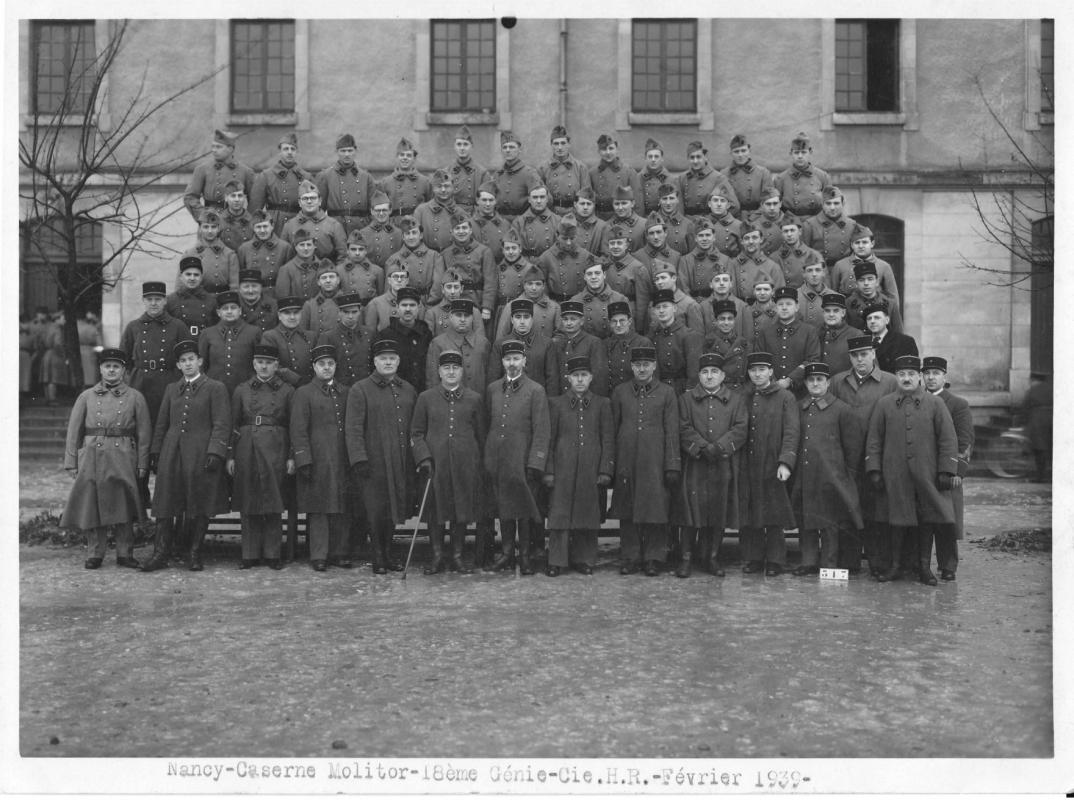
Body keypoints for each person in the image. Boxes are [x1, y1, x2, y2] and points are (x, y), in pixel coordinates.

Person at [865, 355, 960, 586]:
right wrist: (874, 469)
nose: (906, 379)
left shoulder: (935, 404)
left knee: (927, 519)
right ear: (896, 377)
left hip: (926, 474)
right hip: (894, 474)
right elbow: (874, 440)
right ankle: (895, 566)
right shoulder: (884, 404)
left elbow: (948, 439)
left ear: (919, 377)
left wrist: (946, 470)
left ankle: (924, 568)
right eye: (901, 375)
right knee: (895, 519)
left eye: (911, 374)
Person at [141, 340, 231, 572]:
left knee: (198, 501)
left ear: (200, 361)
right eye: (183, 361)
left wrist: (216, 451)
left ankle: (194, 552)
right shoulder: (172, 389)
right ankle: (160, 553)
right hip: (172, 452)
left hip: (200, 452)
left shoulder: (215, 388)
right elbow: (162, 423)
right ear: (178, 366)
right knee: (165, 501)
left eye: (191, 359)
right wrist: (155, 452)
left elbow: (221, 424)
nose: (188, 364)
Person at [61, 349, 152, 569]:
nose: (111, 370)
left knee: (124, 504)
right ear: (100, 369)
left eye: (116, 367)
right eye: (107, 366)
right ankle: (95, 553)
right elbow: (74, 431)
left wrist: (142, 463)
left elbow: (144, 435)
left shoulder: (135, 397)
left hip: (123, 455)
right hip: (93, 454)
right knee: (93, 504)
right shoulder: (86, 396)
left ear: (123, 371)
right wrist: (71, 462)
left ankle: (124, 552)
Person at [346, 338, 419, 574]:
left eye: (392, 359)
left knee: (393, 510)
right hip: (373, 462)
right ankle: (377, 555)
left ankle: (388, 554)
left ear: (398, 361)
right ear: (375, 362)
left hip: (400, 461)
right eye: (383, 359)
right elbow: (353, 428)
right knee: (375, 511)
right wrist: (359, 459)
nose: (388, 362)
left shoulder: (408, 390)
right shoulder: (360, 389)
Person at [411, 350, 488, 572]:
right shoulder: (426, 398)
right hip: (436, 465)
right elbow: (416, 433)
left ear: (462, 371)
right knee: (435, 510)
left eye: (455, 368)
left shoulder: (474, 398)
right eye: (446, 368)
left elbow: (481, 434)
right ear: (439, 371)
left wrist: (478, 463)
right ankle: (436, 555)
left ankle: (456, 555)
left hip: (465, 465)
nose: (451, 372)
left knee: (461, 509)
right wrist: (423, 457)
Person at [673, 351, 748, 577]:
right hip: (695, 463)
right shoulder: (686, 399)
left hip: (721, 464)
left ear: (723, 375)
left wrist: (720, 447)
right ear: (698, 375)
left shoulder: (736, 400)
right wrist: (701, 447)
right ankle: (686, 558)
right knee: (691, 511)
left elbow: (741, 428)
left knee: (717, 511)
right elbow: (682, 426)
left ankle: (711, 557)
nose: (709, 376)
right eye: (705, 372)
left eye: (714, 372)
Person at [830, 335, 899, 575]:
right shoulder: (838, 382)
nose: (860, 359)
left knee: (876, 512)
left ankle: (878, 564)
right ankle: (848, 563)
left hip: (876, 456)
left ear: (873, 354)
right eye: (855, 355)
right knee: (848, 508)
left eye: (864, 354)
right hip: (846, 456)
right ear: (850, 357)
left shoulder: (890, 382)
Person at [610, 346, 680, 576]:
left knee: (656, 507)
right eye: (638, 365)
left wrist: (672, 464)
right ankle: (630, 556)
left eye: (646, 364)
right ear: (631, 366)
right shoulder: (620, 392)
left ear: (654, 366)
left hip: (655, 459)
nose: (642, 369)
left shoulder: (667, 393)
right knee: (627, 507)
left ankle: (654, 557)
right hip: (627, 458)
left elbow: (672, 431)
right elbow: (613, 429)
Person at [483, 340, 551, 574]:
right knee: (504, 508)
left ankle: (525, 555)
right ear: (502, 362)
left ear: (524, 361)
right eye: (508, 359)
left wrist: (536, 462)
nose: (512, 364)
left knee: (523, 509)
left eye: (516, 359)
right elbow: (488, 424)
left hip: (522, 460)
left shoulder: (535, 390)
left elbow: (542, 430)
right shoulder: (493, 389)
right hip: (499, 460)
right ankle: (507, 553)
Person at [543, 355, 615, 576]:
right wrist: (549, 470)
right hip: (563, 468)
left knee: (587, 513)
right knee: (559, 515)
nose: (580, 380)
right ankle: (557, 560)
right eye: (576, 376)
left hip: (589, 468)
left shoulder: (603, 404)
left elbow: (608, 439)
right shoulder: (556, 404)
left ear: (591, 377)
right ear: (568, 378)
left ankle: (584, 559)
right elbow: (549, 440)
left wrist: (605, 469)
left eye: (584, 375)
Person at [790, 362, 863, 575]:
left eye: (819, 380)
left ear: (828, 383)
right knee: (807, 519)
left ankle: (828, 564)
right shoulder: (799, 407)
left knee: (830, 523)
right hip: (804, 475)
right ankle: (808, 561)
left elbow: (853, 447)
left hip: (832, 477)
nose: (815, 384)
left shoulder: (841, 410)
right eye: (811, 380)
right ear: (805, 383)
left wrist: (843, 474)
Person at [226, 344, 295, 570]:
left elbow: (294, 426)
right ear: (254, 364)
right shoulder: (242, 390)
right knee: (249, 499)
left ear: (276, 365)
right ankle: (249, 553)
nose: (264, 366)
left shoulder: (287, 391)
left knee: (273, 500)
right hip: (246, 446)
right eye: (260, 362)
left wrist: (292, 456)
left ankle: (273, 553)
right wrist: (231, 455)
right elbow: (232, 424)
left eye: (269, 362)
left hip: (277, 445)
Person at [291, 344, 352, 571]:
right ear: (314, 367)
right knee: (318, 507)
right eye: (322, 364)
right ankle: (319, 554)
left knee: (342, 505)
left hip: (341, 456)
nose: (326, 368)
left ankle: (340, 552)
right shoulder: (304, 393)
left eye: (330, 364)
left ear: (335, 366)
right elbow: (298, 429)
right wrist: (303, 459)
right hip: (316, 457)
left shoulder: (346, 392)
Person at [738, 351, 799, 576]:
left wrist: (786, 461)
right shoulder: (743, 396)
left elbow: (792, 432)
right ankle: (753, 557)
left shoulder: (785, 397)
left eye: (762, 370)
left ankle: (775, 560)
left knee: (774, 512)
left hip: (773, 461)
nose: (757, 374)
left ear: (771, 372)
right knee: (751, 510)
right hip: (749, 462)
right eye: (753, 370)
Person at [923, 356, 974, 581]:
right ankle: (921, 564)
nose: (931, 377)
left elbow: (965, 440)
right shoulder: (918, 400)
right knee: (924, 520)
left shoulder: (957, 404)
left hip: (947, 471)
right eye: (927, 373)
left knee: (947, 520)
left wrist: (958, 471)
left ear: (945, 376)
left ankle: (948, 565)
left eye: (936, 373)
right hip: (923, 470)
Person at [757, 287, 822, 398]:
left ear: (797, 307)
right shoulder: (765, 332)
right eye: (780, 304)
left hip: (800, 391)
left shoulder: (809, 331)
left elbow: (813, 359)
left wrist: (790, 379)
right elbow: (760, 359)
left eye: (789, 304)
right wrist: (773, 381)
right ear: (775, 308)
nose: (784, 308)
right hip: (770, 389)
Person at [488, 299, 558, 395]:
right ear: (512, 320)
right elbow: (494, 378)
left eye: (526, 317)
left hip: (536, 399)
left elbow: (552, 380)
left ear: (532, 319)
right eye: (518, 317)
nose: (522, 321)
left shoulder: (546, 344)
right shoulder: (500, 344)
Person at [198, 290, 261, 397]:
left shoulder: (254, 332)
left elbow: (259, 362)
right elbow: (201, 365)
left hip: (246, 389)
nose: (229, 311)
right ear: (218, 313)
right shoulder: (207, 333)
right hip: (214, 390)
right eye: (225, 308)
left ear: (240, 311)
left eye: (233, 307)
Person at [183, 129, 255, 221]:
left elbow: (255, 201)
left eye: (218, 147)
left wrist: (246, 220)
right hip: (211, 223)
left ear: (230, 149)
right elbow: (190, 197)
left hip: (236, 221)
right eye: (213, 146)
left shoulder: (246, 171)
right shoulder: (202, 169)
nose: (214, 150)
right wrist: (204, 216)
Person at [438, 213, 497, 324]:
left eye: (464, 228)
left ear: (470, 230)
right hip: (453, 302)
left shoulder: (484, 251)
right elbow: (441, 282)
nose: (461, 231)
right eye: (457, 228)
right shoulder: (446, 254)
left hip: (477, 301)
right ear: (452, 231)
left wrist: (487, 307)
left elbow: (490, 282)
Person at [250, 132, 312, 235]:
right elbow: (255, 208)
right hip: (274, 223)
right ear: (279, 152)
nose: (289, 152)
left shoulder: (306, 177)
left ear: (297, 152)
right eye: (286, 149)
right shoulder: (266, 176)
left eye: (293, 149)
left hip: (298, 222)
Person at [316, 132, 378, 235]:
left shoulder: (366, 177)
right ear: (337, 152)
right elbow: (319, 209)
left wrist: (370, 231)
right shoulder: (326, 176)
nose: (347, 154)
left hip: (361, 229)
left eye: (350, 151)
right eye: (343, 151)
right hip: (335, 229)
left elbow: (374, 209)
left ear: (355, 151)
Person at [425, 298, 490, 395]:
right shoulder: (438, 343)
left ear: (472, 318)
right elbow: (432, 379)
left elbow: (489, 377)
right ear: (450, 317)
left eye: (467, 316)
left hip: (478, 403)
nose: (463, 319)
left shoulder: (483, 343)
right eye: (458, 315)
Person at [650, 286, 704, 395]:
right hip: (659, 390)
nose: (661, 310)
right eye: (658, 307)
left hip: (681, 390)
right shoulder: (652, 337)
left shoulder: (688, 335)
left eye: (665, 306)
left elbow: (693, 372)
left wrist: (689, 393)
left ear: (674, 308)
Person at [830, 224, 901, 305]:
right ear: (852, 245)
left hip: (875, 312)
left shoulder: (884, 266)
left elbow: (893, 297)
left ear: (872, 243)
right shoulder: (840, 265)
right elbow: (832, 294)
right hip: (848, 312)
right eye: (857, 243)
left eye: (864, 242)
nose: (861, 246)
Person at [379, 287, 433, 392]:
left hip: (422, 390)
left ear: (419, 307)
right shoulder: (386, 335)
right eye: (404, 305)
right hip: (396, 392)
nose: (408, 309)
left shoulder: (425, 333)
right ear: (397, 307)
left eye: (412, 305)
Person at [551, 300, 609, 397]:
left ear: (581, 321)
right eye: (565, 319)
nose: (569, 323)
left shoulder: (593, 342)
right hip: (562, 400)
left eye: (573, 319)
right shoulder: (557, 344)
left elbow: (599, 378)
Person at [280, 181, 347, 262]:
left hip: (326, 271)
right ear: (299, 202)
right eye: (305, 198)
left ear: (320, 201)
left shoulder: (334, 225)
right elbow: (283, 255)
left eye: (313, 198)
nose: (309, 201)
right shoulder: (289, 226)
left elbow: (343, 256)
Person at [317, 293, 374, 388]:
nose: (350, 316)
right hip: (341, 388)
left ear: (360, 312)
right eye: (346, 312)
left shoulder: (369, 333)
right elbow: (322, 368)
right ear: (339, 312)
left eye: (354, 312)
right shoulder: (328, 336)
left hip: (367, 387)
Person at [772, 131, 832, 220]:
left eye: (803, 152)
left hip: (816, 224)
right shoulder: (780, 179)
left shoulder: (823, 177)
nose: (800, 156)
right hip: (790, 226)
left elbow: (831, 205)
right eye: (796, 152)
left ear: (810, 152)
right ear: (791, 153)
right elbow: (775, 207)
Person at [386, 216, 443, 306]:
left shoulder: (434, 256)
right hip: (403, 305)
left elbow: (437, 287)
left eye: (414, 233)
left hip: (426, 303)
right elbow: (389, 290)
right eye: (407, 233)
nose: (411, 237)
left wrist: (428, 305)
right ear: (403, 237)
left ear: (420, 235)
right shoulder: (393, 259)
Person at [236, 210, 295, 298]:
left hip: (277, 293)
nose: (262, 230)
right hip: (252, 294)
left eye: (265, 226)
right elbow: (240, 275)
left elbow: (290, 276)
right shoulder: (244, 249)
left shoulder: (285, 247)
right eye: (258, 227)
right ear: (253, 228)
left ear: (272, 226)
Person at [179, 210, 238, 294]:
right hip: (197, 299)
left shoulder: (229, 255)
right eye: (206, 227)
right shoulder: (189, 253)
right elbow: (180, 284)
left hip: (222, 300)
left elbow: (234, 286)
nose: (210, 231)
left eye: (213, 227)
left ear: (218, 228)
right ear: (200, 228)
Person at [260, 296, 314, 388]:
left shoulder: (311, 336)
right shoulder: (270, 336)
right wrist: (296, 379)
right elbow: (270, 364)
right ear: (279, 315)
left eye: (296, 313)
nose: (292, 317)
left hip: (309, 387)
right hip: (282, 388)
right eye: (287, 313)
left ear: (301, 314)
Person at [678, 140, 740, 218]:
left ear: (706, 157)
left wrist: (713, 221)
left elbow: (734, 206)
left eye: (698, 157)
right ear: (688, 158)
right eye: (692, 157)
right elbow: (678, 206)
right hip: (688, 224)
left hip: (709, 224)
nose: (695, 161)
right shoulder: (682, 178)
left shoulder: (718, 178)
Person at [538, 220, 594, 303]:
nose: (568, 243)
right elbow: (542, 284)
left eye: (572, 238)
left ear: (577, 236)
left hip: (580, 303)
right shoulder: (546, 257)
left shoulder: (586, 256)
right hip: (555, 302)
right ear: (557, 236)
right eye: (564, 239)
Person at [540, 125, 592, 215]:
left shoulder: (580, 167)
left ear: (569, 144)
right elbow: (539, 195)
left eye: (563, 143)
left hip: (574, 214)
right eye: (556, 144)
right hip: (551, 214)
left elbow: (586, 195)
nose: (560, 148)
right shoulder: (543, 168)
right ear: (551, 145)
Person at [491, 130, 543, 221]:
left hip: (522, 222)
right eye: (505, 147)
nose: (508, 150)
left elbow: (545, 200)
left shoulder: (529, 173)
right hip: (500, 223)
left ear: (520, 150)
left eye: (511, 147)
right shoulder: (497, 175)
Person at [801, 186, 856, 269]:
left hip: (844, 270)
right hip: (819, 271)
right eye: (828, 203)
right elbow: (804, 255)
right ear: (822, 204)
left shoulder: (851, 225)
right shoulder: (810, 225)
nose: (832, 208)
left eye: (836, 203)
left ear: (843, 204)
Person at [572, 260, 630, 340]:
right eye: (589, 274)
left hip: (612, 345)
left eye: (597, 273)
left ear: (604, 275)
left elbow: (628, 331)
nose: (593, 277)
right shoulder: (575, 300)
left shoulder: (619, 299)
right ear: (584, 277)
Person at [590, 133, 643, 220]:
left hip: (622, 219)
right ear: (598, 151)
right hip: (599, 219)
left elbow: (638, 202)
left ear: (617, 150)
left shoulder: (628, 172)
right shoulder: (592, 173)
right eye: (603, 149)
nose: (608, 152)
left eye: (611, 148)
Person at [604, 301, 654, 391]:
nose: (618, 325)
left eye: (622, 321)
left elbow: (651, 377)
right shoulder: (605, 344)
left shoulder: (642, 343)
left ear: (630, 321)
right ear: (609, 323)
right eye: (614, 321)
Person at [702, 299, 749, 391]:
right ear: (715, 321)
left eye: (730, 319)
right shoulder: (708, 343)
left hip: (739, 391)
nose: (726, 323)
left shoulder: (743, 343)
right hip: (717, 391)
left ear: (735, 321)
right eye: (722, 319)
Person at [379, 137, 431, 219]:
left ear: (414, 158)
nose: (405, 158)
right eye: (402, 154)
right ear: (397, 157)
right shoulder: (386, 182)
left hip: (417, 225)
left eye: (409, 155)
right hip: (394, 226)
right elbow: (380, 210)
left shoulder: (425, 182)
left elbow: (430, 208)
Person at [678, 220, 730, 302]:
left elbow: (729, 288)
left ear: (714, 237)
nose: (704, 239)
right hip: (693, 304)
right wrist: (693, 305)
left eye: (708, 235)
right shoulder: (685, 260)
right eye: (701, 235)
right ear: (695, 238)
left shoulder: (725, 259)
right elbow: (683, 288)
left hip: (718, 303)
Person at [845, 261, 904, 334]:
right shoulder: (848, 304)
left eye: (870, 279)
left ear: (877, 282)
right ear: (856, 283)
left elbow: (899, 333)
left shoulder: (890, 304)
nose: (866, 283)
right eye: (861, 280)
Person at [723, 134, 774, 217]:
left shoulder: (763, 173)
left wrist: (754, 218)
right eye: (736, 151)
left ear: (749, 151)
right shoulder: (724, 174)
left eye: (743, 151)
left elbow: (768, 200)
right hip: (733, 218)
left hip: (758, 219)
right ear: (731, 153)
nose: (740, 155)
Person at [729, 224, 784, 301]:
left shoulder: (773, 266)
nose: (751, 242)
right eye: (747, 238)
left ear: (761, 239)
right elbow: (729, 294)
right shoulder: (733, 264)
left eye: (754, 238)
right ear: (741, 241)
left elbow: (779, 296)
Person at [443, 125, 492, 212]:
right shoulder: (445, 172)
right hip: (451, 215)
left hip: (473, 217)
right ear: (454, 146)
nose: (462, 148)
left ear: (472, 146)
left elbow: (485, 203)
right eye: (459, 144)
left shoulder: (482, 173)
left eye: (465, 144)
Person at [414, 169, 464, 253]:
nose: (443, 190)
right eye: (439, 186)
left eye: (447, 186)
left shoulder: (460, 212)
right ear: (433, 188)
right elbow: (415, 239)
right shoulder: (421, 211)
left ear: (453, 187)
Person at [816, 293, 864, 375]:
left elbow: (866, 366)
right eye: (827, 311)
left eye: (836, 311)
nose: (831, 314)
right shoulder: (815, 333)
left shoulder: (856, 335)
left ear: (843, 313)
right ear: (823, 313)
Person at [512, 183, 561, 261]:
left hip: (550, 261)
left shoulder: (557, 220)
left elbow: (560, 248)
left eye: (542, 197)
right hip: (527, 263)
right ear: (529, 199)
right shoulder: (519, 222)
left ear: (547, 199)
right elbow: (514, 249)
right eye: (535, 197)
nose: (538, 201)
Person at [773, 217, 823, 289]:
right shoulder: (774, 257)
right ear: (781, 234)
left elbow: (822, 282)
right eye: (786, 231)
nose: (789, 234)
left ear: (800, 232)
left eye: (792, 230)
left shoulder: (814, 255)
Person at [694, 185, 744, 258]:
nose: (719, 204)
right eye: (715, 200)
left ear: (728, 205)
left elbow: (743, 254)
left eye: (722, 201)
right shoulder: (700, 223)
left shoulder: (738, 226)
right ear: (709, 204)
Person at [273, 228, 322, 301]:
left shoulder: (322, 266)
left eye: (309, 244)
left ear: (314, 246)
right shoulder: (286, 269)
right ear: (295, 247)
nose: (306, 248)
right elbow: (283, 298)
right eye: (302, 245)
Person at [865, 303, 916, 373]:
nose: (872, 321)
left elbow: (912, 372)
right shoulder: (863, 342)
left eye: (877, 318)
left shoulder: (905, 342)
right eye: (869, 319)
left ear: (887, 320)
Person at [559, 187, 609, 258]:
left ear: (594, 205)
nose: (585, 207)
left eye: (589, 204)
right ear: (575, 204)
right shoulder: (565, 222)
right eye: (582, 203)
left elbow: (606, 255)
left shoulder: (602, 227)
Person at [358, 191, 403, 268]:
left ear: (390, 210)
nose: (381, 214)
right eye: (378, 210)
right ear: (372, 211)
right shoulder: (363, 233)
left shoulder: (399, 233)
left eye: (384, 210)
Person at [337, 231, 385, 304]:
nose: (357, 253)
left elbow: (381, 296)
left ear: (366, 251)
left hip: (370, 308)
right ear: (347, 251)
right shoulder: (339, 270)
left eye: (361, 249)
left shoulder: (377, 271)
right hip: (349, 310)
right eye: (353, 249)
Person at [298, 262, 343, 339]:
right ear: (318, 282)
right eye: (324, 278)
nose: (328, 280)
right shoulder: (309, 306)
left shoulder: (347, 303)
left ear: (338, 280)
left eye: (331, 277)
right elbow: (303, 334)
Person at [470, 181, 512, 264]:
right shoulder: (469, 225)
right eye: (484, 200)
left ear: (496, 201)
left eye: (491, 200)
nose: (488, 204)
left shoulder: (505, 225)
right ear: (477, 200)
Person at [1022, 371, 1052, 483]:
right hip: (1053, 418)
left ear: (1033, 379)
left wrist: (1023, 421)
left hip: (1038, 420)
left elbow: (1024, 406)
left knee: (1040, 449)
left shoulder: (1032, 390)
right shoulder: (1052, 388)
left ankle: (1040, 476)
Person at [39, 312, 71, 406]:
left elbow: (39, 342)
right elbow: (58, 344)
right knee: (53, 378)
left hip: (46, 354)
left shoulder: (47, 327)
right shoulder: (58, 329)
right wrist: (63, 355)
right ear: (57, 319)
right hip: (55, 355)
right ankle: (52, 399)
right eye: (63, 318)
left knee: (47, 378)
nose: (64, 321)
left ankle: (47, 398)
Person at [655, 183, 695, 256]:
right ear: (659, 200)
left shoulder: (688, 225)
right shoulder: (650, 223)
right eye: (664, 199)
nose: (668, 203)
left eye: (671, 198)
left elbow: (692, 255)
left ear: (677, 200)